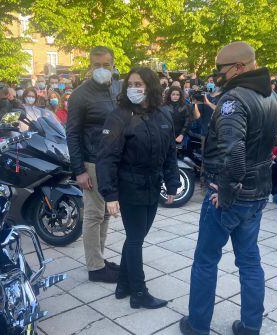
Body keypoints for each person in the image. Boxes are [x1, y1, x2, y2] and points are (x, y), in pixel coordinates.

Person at [180, 42, 277, 335]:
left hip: (229, 196)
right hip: (259, 192)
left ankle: (197, 326)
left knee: (205, 261)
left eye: (220, 69)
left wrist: (226, 191)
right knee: (250, 261)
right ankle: (251, 326)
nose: (216, 75)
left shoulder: (233, 100)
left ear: (239, 67)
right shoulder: (271, 95)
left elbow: (233, 151)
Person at [97, 67, 180, 309]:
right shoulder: (119, 116)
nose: (134, 88)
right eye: (131, 84)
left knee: (137, 237)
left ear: (151, 87)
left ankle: (123, 283)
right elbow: (106, 157)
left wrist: (172, 182)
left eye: (140, 84)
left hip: (152, 185)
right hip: (129, 185)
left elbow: (170, 153)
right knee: (135, 239)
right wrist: (110, 194)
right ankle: (139, 292)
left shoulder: (163, 115)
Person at [66, 46, 122, 283]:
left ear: (113, 65)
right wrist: (79, 170)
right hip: (92, 161)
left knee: (106, 214)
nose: (101, 70)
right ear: (90, 66)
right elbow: (72, 133)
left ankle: (98, 258)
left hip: (111, 161)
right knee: (93, 214)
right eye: (96, 65)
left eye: (106, 65)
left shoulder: (116, 88)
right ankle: (95, 268)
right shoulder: (80, 94)